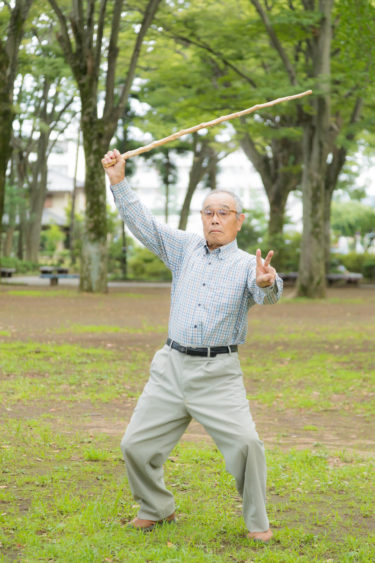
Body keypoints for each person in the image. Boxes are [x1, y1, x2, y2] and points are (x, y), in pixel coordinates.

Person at [102, 149, 283, 542]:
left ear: (239, 220)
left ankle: (258, 523)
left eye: (223, 212)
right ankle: (157, 507)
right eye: (208, 212)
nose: (215, 218)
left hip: (218, 374)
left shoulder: (245, 265)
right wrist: (118, 179)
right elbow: (142, 223)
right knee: (134, 444)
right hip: (170, 367)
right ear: (202, 218)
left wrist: (268, 283)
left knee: (247, 445)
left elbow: (265, 290)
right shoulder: (183, 248)